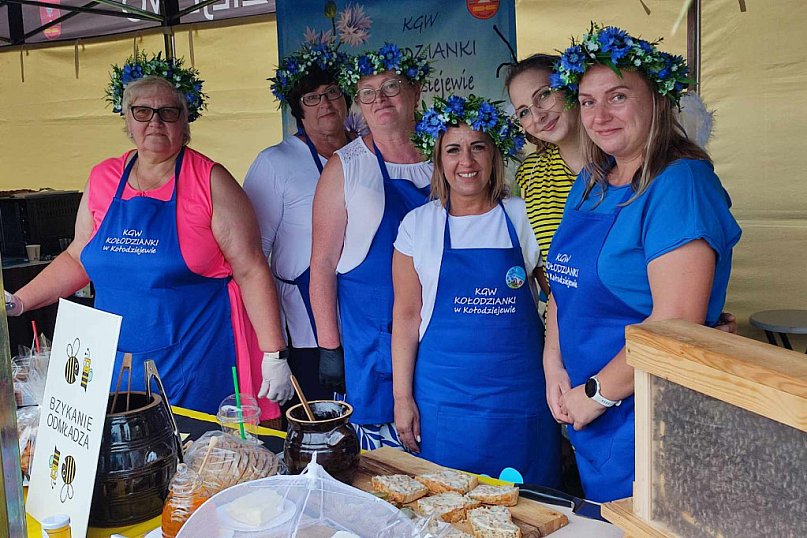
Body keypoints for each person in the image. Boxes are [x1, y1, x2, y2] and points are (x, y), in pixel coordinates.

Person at [3, 54, 293, 418]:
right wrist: (19, 301)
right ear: (127, 120)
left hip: (195, 357)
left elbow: (251, 269)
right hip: (115, 360)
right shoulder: (103, 178)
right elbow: (78, 257)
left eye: (168, 112)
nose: (155, 121)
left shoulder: (211, 181)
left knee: (198, 448)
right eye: (142, 111)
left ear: (185, 121)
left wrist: (273, 353)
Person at [543, 25, 742, 502]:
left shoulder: (681, 184)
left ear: (657, 100)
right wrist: (554, 365)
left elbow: (675, 323)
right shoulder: (591, 182)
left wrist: (596, 394)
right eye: (588, 102)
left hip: (655, 417)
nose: (600, 116)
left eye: (617, 97)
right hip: (590, 412)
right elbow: (563, 289)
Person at [392, 95, 561, 485]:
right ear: (439, 160)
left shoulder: (525, 216)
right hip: (444, 404)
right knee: (448, 504)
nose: (466, 161)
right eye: (453, 149)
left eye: (478, 147)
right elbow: (405, 317)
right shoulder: (418, 225)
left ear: (494, 155)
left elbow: (561, 299)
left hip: (520, 400)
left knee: (530, 508)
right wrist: (402, 398)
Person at [310, 43, 432, 449]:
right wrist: (330, 348)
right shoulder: (345, 166)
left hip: (438, 336)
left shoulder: (447, 154)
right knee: (387, 464)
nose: (380, 99)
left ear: (415, 91)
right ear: (358, 104)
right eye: (368, 92)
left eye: (391, 86)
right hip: (373, 341)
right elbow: (322, 264)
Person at [244, 44, 353, 406]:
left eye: (332, 93)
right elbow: (252, 255)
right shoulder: (275, 163)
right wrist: (272, 349)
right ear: (297, 109)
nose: (325, 104)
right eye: (312, 98)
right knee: (320, 424)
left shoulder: (366, 154)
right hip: (304, 328)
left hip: (365, 320)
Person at [505, 54, 583, 298]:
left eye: (544, 95)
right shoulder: (529, 175)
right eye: (523, 112)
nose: (538, 116)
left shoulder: (623, 160)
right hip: (562, 316)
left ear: (571, 86)